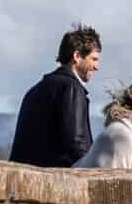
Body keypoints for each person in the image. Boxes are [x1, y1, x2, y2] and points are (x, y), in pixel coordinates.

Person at [8, 25, 100, 167]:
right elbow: (75, 143)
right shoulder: (71, 87)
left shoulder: (35, 90)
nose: (96, 66)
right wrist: (94, 170)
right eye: (93, 59)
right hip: (56, 180)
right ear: (76, 56)